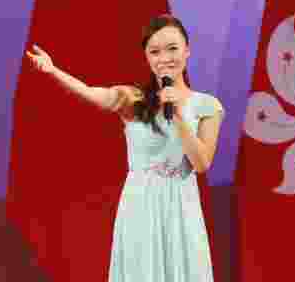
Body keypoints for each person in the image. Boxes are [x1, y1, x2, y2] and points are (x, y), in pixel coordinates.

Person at [25, 14, 224, 282]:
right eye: (155, 51)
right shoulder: (133, 99)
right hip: (140, 206)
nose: (164, 58)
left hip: (181, 208)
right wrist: (54, 71)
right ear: (147, 57)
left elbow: (201, 163)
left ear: (187, 51)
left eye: (172, 49)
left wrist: (177, 115)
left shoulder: (207, 106)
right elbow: (91, 93)